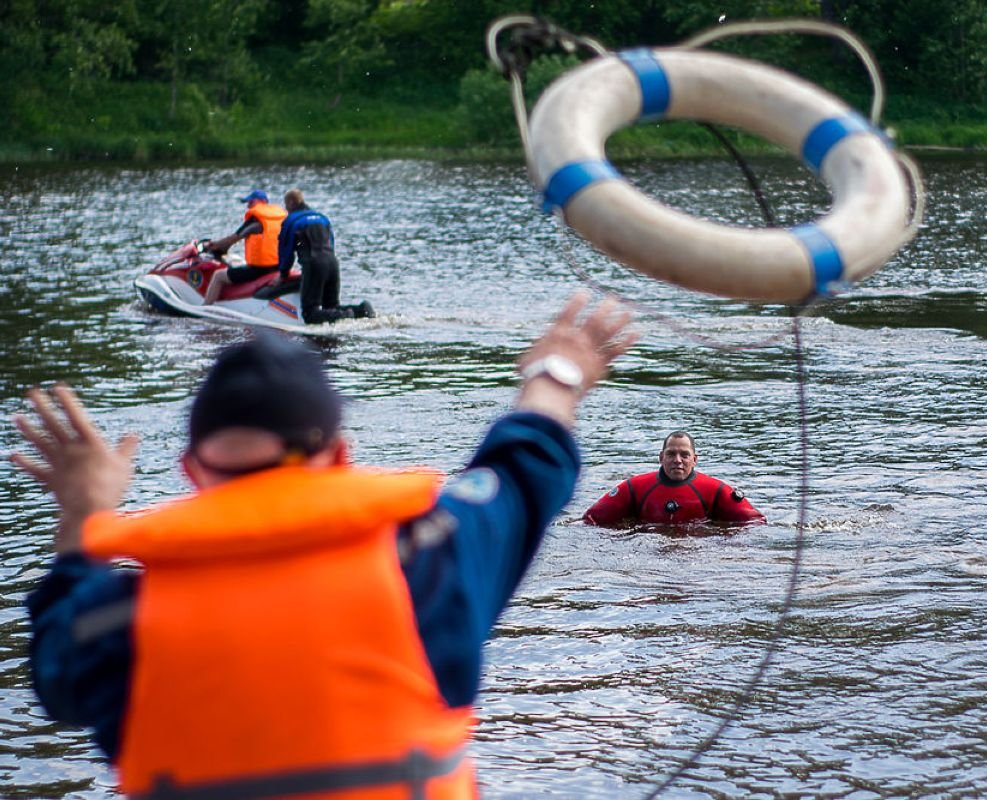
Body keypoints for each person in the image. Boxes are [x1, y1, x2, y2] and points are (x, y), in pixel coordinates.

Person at [11, 292, 636, 799]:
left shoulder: (115, 624)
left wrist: (85, 512)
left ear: (191, 471)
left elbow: (54, 655)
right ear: (340, 456)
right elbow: (527, 466)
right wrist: (558, 372)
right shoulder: (428, 561)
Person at [584, 430, 766, 526]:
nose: (677, 460)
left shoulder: (716, 491)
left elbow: (755, 524)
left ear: (694, 460)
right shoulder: (634, 488)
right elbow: (590, 521)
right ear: (661, 457)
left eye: (684, 455)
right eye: (671, 454)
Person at [276, 187, 374, 323]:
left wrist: (283, 274)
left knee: (310, 313)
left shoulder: (291, 221)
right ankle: (361, 310)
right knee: (332, 306)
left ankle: (346, 315)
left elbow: (286, 251)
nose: (286, 209)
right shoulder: (322, 218)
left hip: (314, 264)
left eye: (286, 205)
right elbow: (331, 243)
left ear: (291, 203)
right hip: (332, 263)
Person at [201, 189, 288, 305]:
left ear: (261, 201)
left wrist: (213, 245)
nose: (248, 206)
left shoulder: (257, 219)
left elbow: (233, 238)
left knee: (218, 276)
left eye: (250, 202)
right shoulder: (280, 218)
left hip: (259, 270)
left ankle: (205, 308)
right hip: (278, 267)